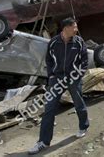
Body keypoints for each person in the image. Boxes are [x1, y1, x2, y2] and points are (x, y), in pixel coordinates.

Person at [29, 17, 90, 154]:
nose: (76, 29)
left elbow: (84, 62)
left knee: (78, 103)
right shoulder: (54, 42)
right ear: (66, 28)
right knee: (49, 109)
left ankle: (83, 126)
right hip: (56, 79)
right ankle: (43, 142)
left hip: (73, 77)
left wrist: (77, 75)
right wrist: (51, 75)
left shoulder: (79, 42)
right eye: (74, 27)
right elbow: (49, 60)